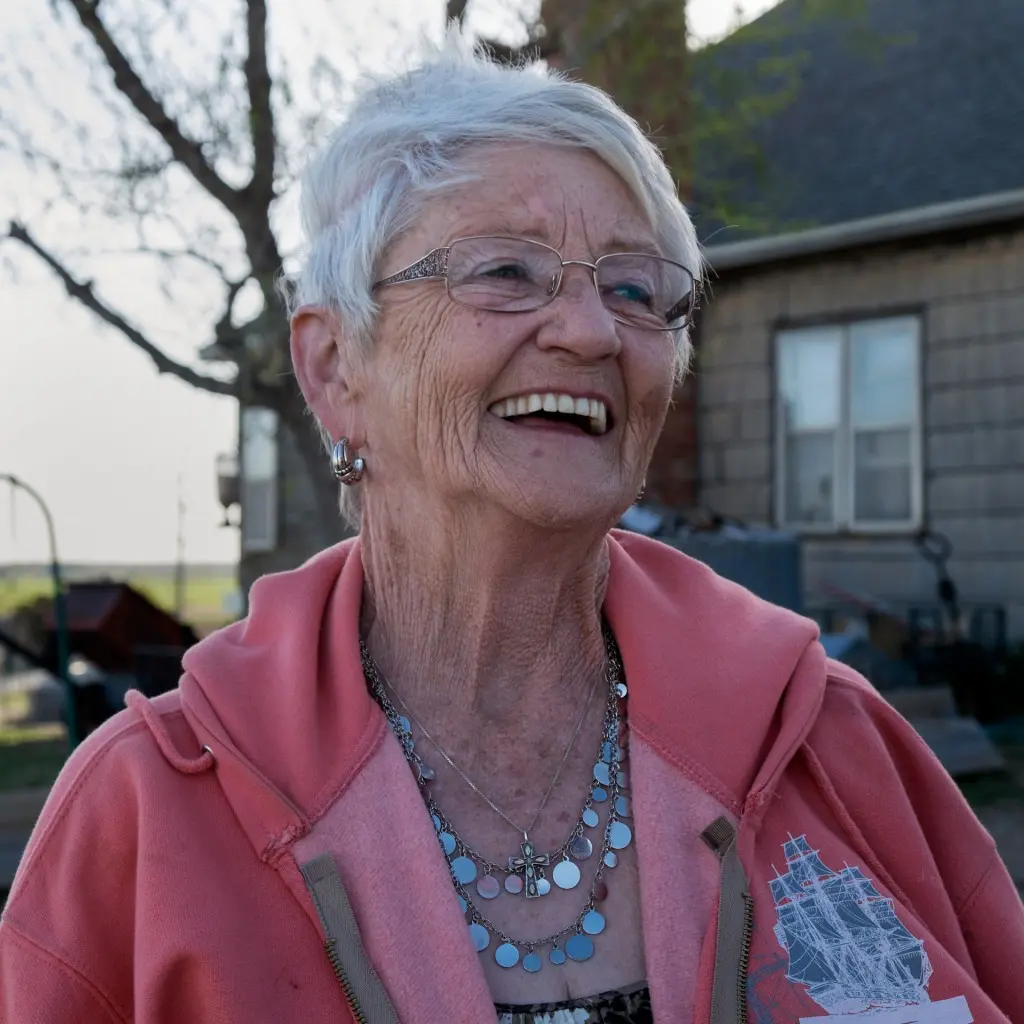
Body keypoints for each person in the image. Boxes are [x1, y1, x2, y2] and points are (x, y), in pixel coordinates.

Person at [2, 37, 1022, 1024]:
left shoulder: (830, 744)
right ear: (332, 369)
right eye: (504, 272)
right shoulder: (148, 812)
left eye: (634, 288)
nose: (589, 331)